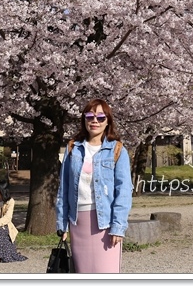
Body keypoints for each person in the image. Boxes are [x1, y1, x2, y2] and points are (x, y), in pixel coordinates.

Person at [56, 98, 132, 273]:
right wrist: (62, 224)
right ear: (84, 119)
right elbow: (64, 188)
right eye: (89, 116)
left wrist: (118, 226)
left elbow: (124, 191)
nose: (94, 121)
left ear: (108, 121)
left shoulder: (117, 150)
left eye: (100, 117)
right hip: (78, 222)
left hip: (105, 224)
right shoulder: (72, 148)